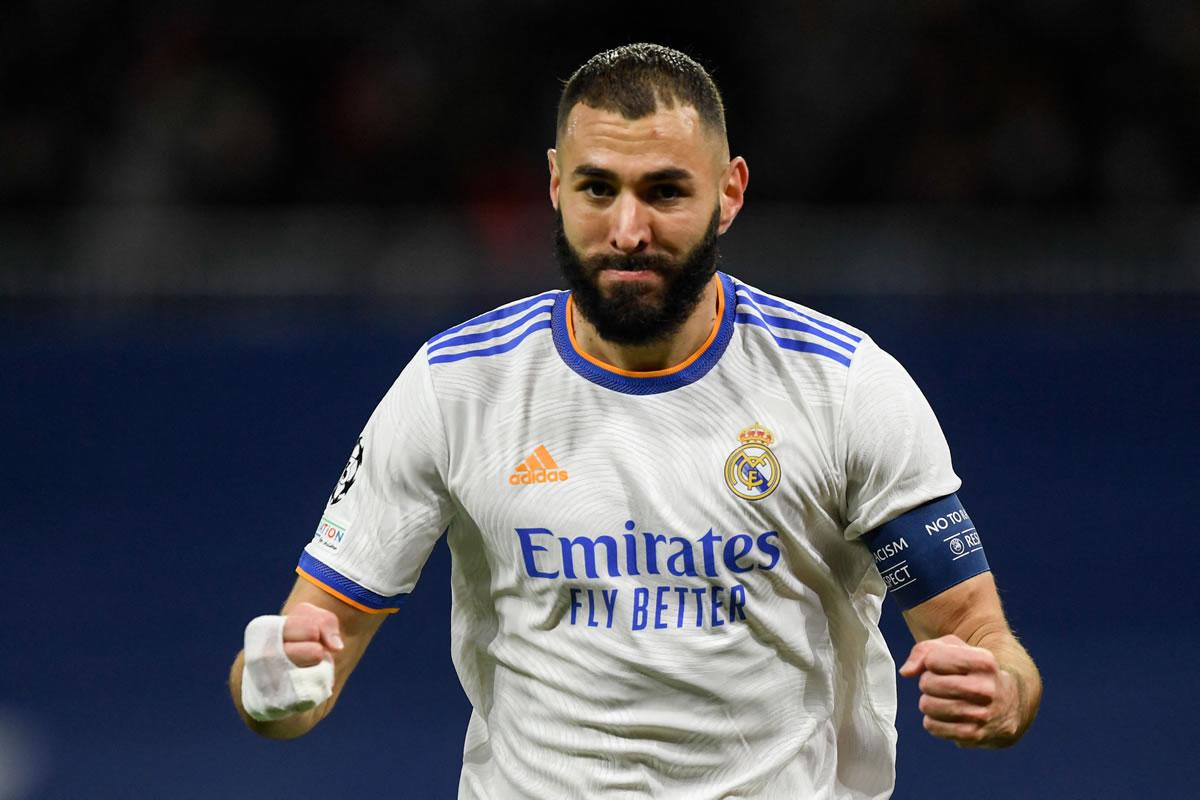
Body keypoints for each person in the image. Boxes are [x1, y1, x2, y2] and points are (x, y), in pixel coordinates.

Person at [229, 43, 1041, 799]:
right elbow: (306, 657)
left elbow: (979, 635)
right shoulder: (457, 386)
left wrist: (998, 693)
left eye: (665, 191)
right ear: (555, 184)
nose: (628, 231)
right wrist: (273, 687)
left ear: (730, 193)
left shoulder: (844, 389)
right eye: (597, 188)